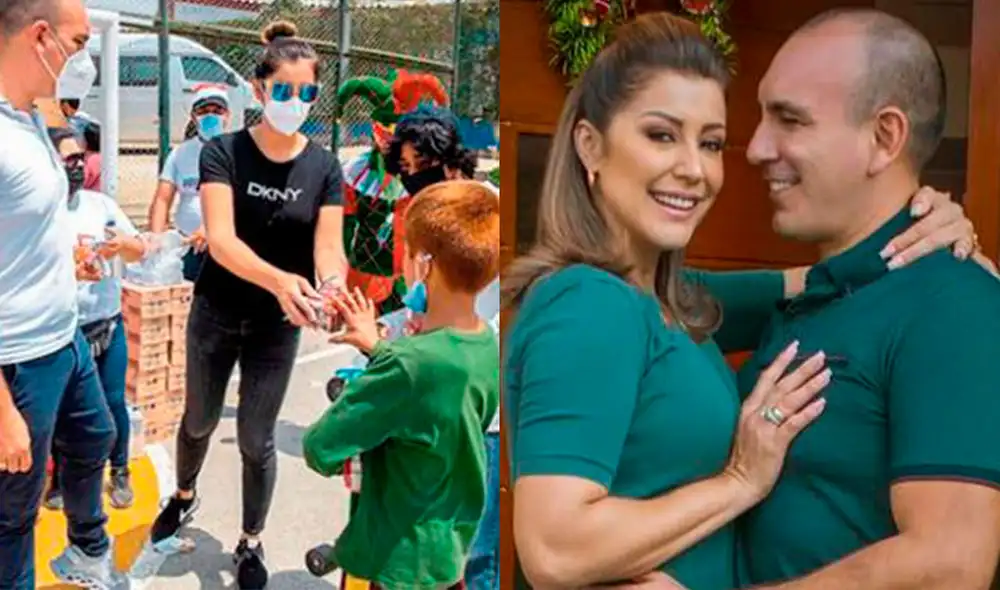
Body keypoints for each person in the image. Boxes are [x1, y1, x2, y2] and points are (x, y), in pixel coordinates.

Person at [500, 12, 985, 590]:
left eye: (709, 142)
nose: (740, 154)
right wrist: (738, 481)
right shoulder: (591, 302)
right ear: (589, 145)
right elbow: (554, 550)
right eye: (661, 134)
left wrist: (940, 242)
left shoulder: (673, 305)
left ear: (885, 137)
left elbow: (951, 567)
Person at [729, 9, 1000, 590]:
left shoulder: (950, 304)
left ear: (884, 138)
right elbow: (661, 301)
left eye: (790, 120)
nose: (754, 147)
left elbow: (951, 563)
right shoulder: (822, 293)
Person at [148, 20, 347, 589]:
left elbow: (328, 247)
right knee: (199, 422)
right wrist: (282, 280)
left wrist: (328, 287)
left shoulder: (325, 167)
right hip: (215, 312)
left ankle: (250, 542)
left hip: (275, 330)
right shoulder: (223, 152)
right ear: (259, 91)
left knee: (258, 441)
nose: (294, 102)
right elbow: (222, 239)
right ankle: (183, 494)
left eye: (306, 92)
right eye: (282, 91)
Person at [303, 180, 500, 590]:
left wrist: (383, 364)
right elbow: (436, 390)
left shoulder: (409, 365)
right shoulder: (485, 345)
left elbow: (321, 447)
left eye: (407, 254)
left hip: (399, 559)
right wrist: (381, 350)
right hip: (446, 551)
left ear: (425, 265)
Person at [0, 0, 121, 587]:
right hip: (17, 360)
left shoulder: (28, 115)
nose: (84, 60)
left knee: (96, 434)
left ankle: (84, 552)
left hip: (63, 336)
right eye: (78, 44)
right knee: (12, 516)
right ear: (40, 36)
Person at [384, 106, 500, 590]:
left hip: (484, 412)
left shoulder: (488, 214)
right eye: (407, 171)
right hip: (434, 405)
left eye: (421, 168)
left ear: (452, 165)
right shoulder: (422, 221)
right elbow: (417, 308)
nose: (413, 182)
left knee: (477, 555)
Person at [44, 127, 148, 511]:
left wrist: (125, 245)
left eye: (79, 158)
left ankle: (119, 470)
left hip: (106, 324)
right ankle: (59, 478)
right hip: (62, 330)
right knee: (61, 406)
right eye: (66, 159)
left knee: (112, 401)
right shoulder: (38, 212)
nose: (75, 166)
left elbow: (140, 248)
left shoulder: (99, 205)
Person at [336, 71, 451, 314]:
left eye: (398, 129)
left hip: (408, 275)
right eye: (384, 127)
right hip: (365, 273)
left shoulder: (426, 174)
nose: (390, 136)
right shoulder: (354, 173)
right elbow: (345, 225)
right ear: (374, 128)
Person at [148, 85, 233, 281]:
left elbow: (239, 201)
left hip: (228, 245)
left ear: (227, 116)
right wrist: (157, 236)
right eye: (203, 111)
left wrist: (208, 228)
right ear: (194, 117)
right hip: (189, 245)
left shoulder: (239, 151)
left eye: (217, 111)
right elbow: (162, 198)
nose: (210, 116)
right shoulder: (181, 153)